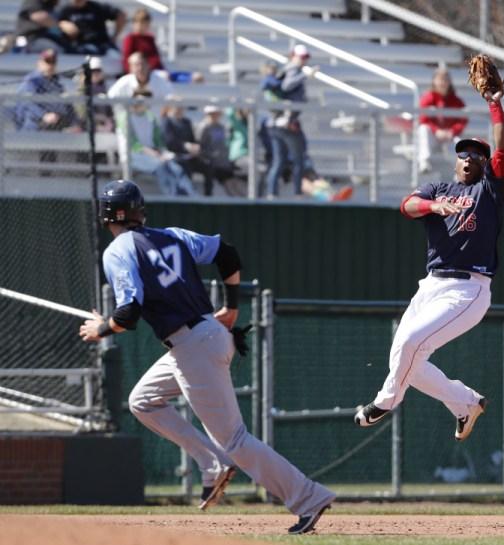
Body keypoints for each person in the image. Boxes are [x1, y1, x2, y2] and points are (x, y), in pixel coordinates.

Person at [79, 180, 335, 533]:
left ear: (105, 214)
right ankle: (211, 462)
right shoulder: (171, 235)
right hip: (205, 336)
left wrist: (100, 328)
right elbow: (226, 252)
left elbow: (128, 313)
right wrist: (231, 306)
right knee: (143, 401)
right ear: (140, 209)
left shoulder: (117, 251)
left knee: (235, 439)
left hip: (193, 344)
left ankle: (308, 498)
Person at [353, 78, 504, 442]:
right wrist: (432, 206)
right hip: (431, 284)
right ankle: (465, 402)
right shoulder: (437, 189)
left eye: (477, 154)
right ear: (455, 161)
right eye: (464, 153)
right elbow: (407, 206)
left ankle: (385, 401)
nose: (470, 157)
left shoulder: (489, 191)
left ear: (484, 164)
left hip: (468, 288)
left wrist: (494, 104)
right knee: (406, 357)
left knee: (409, 342)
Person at [115, 86, 197, 196]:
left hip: (152, 154)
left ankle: (193, 198)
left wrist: (163, 152)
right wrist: (156, 155)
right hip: (134, 156)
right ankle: (174, 199)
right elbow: (134, 145)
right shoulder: (125, 117)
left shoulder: (150, 116)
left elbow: (158, 141)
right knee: (160, 166)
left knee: (176, 168)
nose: (150, 103)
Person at [265, 44, 317, 199]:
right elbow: (287, 86)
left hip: (277, 123)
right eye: (302, 57)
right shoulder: (293, 70)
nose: (304, 60)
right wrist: (306, 75)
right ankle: (297, 193)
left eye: (306, 57)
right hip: (286, 123)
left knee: (280, 160)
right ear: (293, 55)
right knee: (299, 158)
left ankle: (272, 193)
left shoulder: (286, 70)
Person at [120, 7, 203, 84]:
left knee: (196, 76)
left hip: (157, 71)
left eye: (146, 24)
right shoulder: (130, 39)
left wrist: (160, 71)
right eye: (141, 23)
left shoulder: (150, 39)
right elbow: (127, 60)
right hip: (147, 74)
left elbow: (156, 59)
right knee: (164, 76)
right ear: (135, 23)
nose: (143, 27)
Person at [15, 48, 81, 133]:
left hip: (54, 127)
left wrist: (75, 122)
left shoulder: (57, 84)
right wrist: (44, 115)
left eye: (53, 62)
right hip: (34, 129)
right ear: (39, 63)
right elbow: (28, 103)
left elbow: (67, 105)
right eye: (47, 62)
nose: (50, 65)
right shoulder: (32, 81)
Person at [417, 68, 468, 174]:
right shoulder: (428, 97)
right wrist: (436, 131)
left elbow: (463, 120)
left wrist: (452, 132)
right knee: (423, 129)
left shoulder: (456, 101)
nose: (443, 82)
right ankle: (424, 163)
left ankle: (460, 173)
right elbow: (423, 120)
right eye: (440, 79)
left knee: (460, 142)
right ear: (434, 81)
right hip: (434, 137)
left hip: (449, 137)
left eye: (446, 79)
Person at [196, 105, 246, 197]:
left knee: (236, 183)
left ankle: (245, 203)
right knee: (229, 183)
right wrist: (210, 155)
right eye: (213, 114)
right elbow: (200, 146)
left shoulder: (221, 127)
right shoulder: (204, 127)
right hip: (213, 162)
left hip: (224, 162)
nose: (215, 116)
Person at [108, 52, 174, 115]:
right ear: (131, 67)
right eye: (136, 65)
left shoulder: (160, 81)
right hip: (129, 124)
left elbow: (172, 100)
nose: (140, 68)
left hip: (154, 124)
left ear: (149, 65)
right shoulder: (124, 82)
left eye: (143, 64)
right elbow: (110, 99)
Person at [58, 0, 125, 56]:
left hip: (102, 45)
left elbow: (121, 14)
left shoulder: (97, 7)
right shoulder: (65, 11)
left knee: (117, 59)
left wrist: (114, 37)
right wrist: (62, 24)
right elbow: (51, 20)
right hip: (80, 47)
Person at [75, 56, 114, 133]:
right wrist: (99, 120)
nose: (95, 73)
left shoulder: (107, 89)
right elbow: (82, 112)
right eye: (93, 71)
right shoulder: (82, 89)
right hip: (89, 126)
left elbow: (111, 110)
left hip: (107, 125)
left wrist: (109, 120)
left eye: (98, 70)